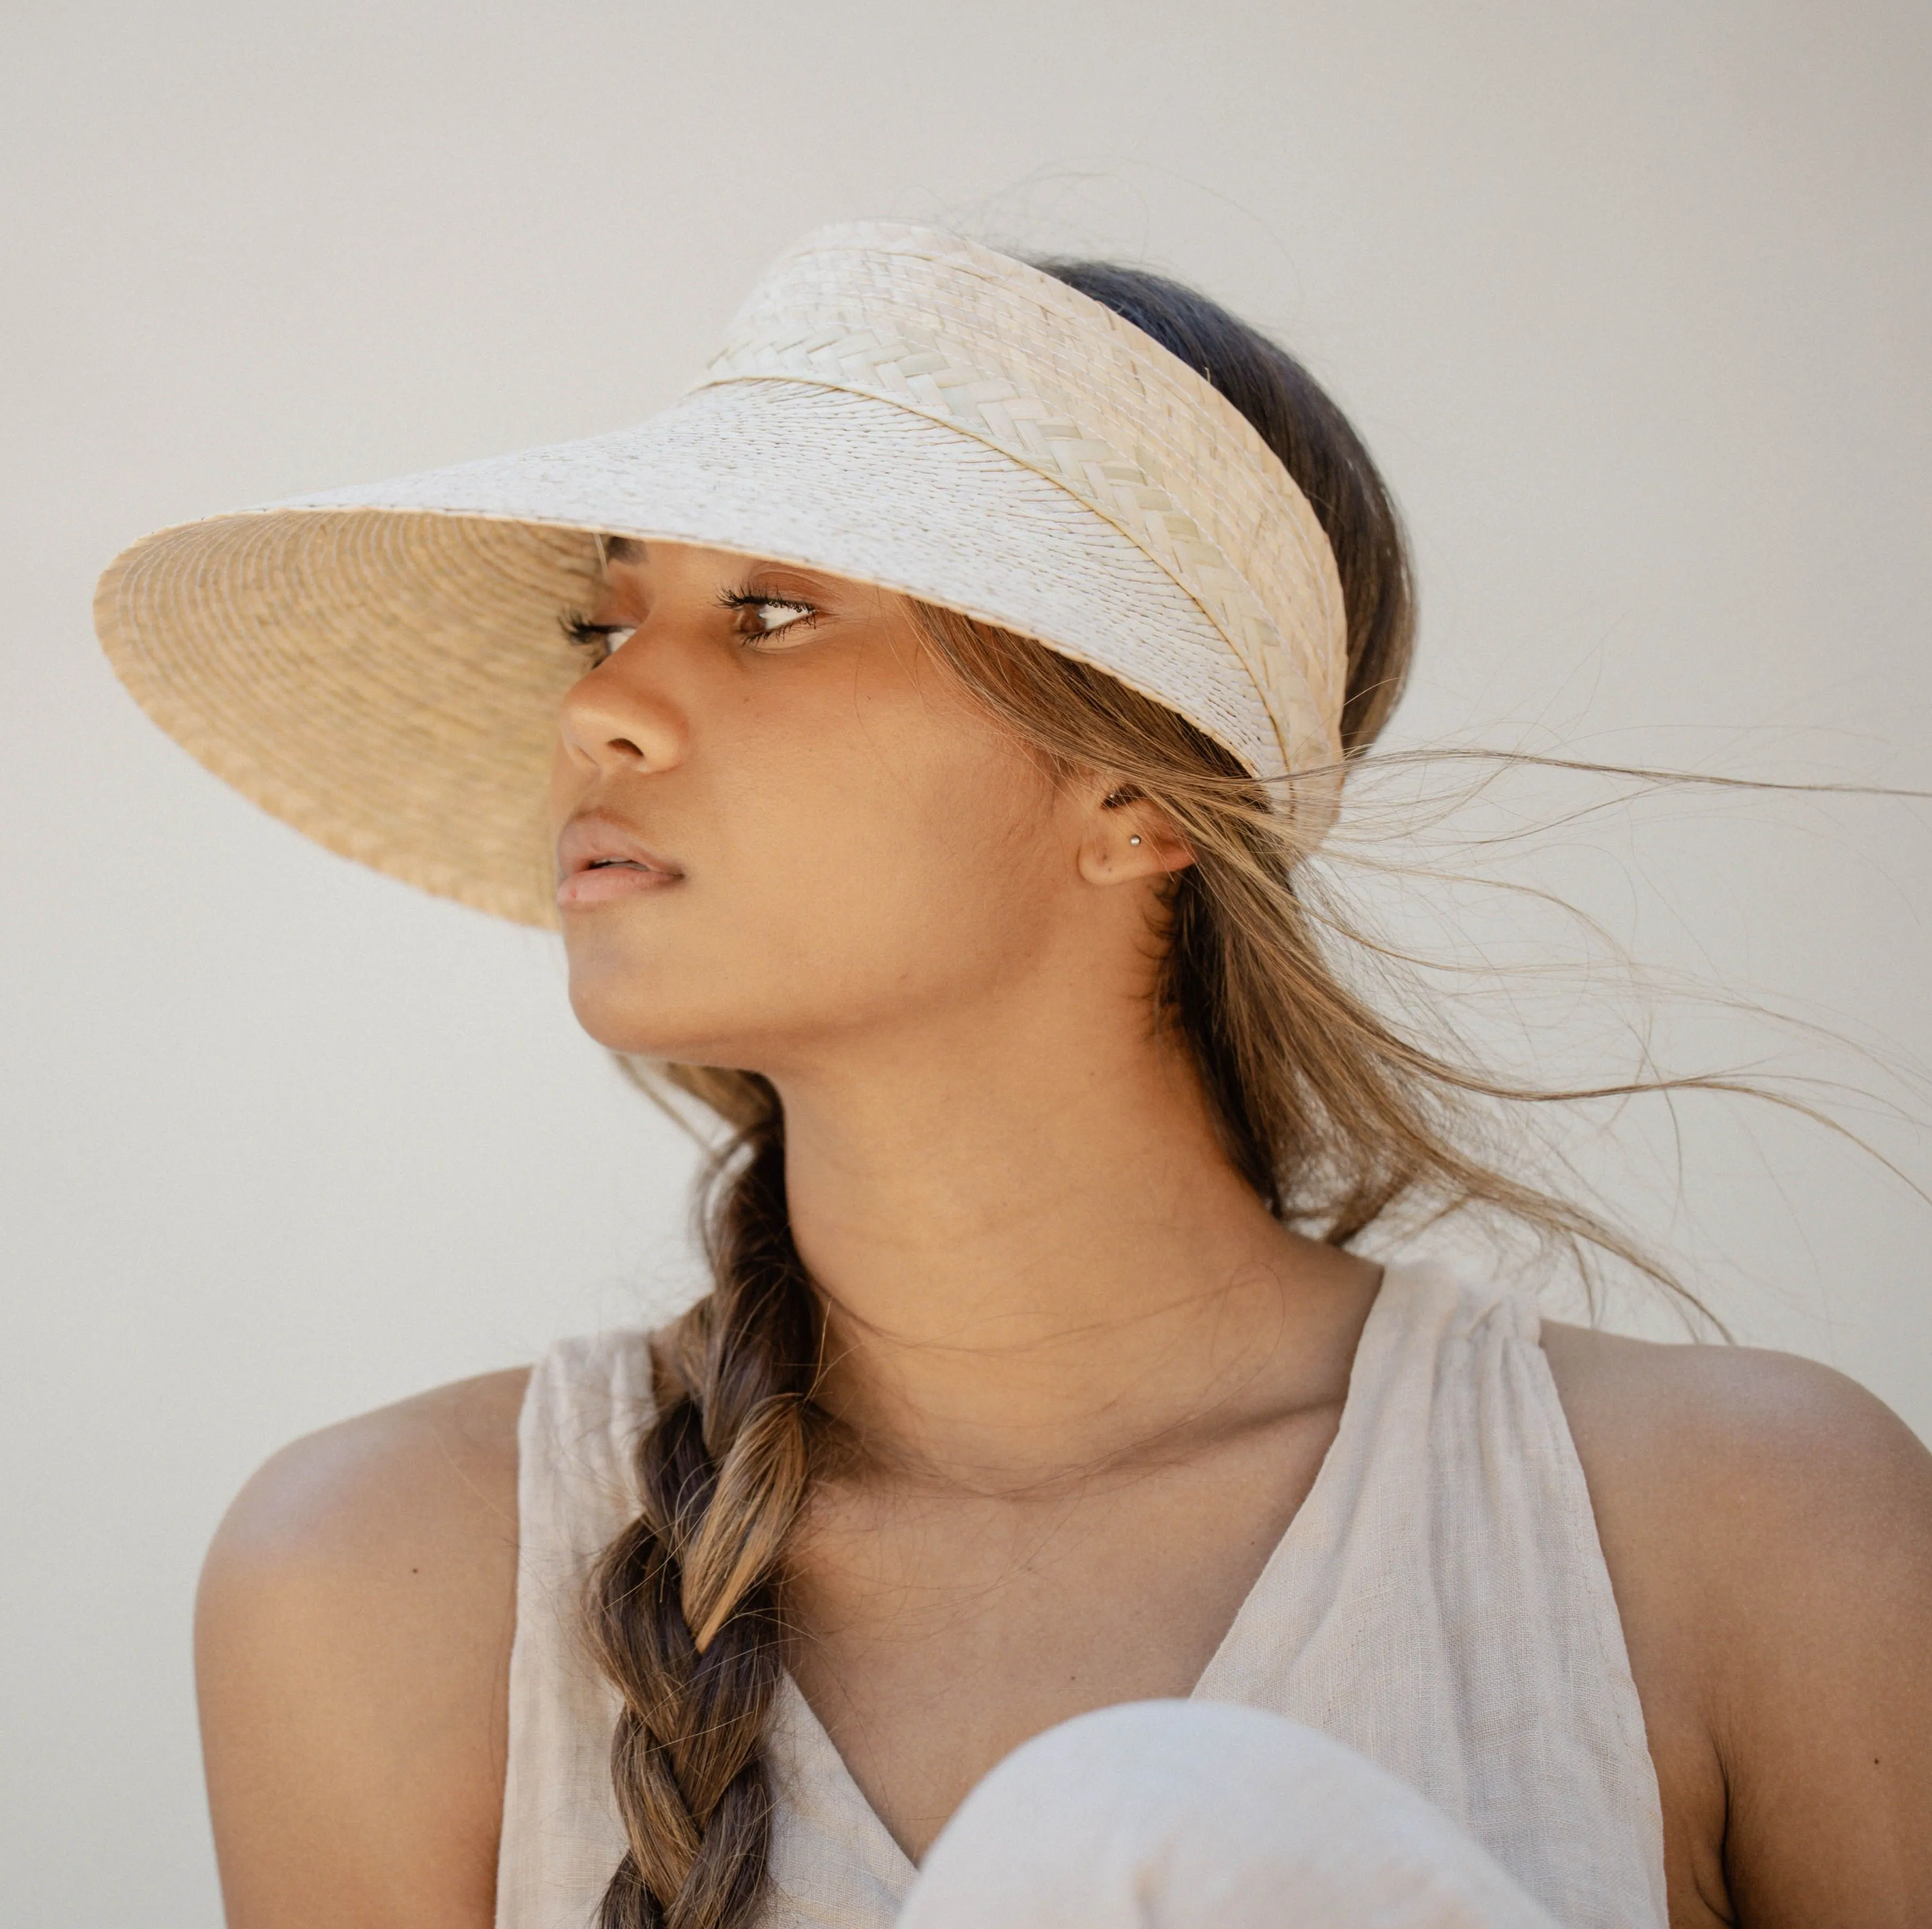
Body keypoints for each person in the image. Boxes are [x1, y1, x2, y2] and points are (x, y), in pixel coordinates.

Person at [95, 224, 1931, 1929]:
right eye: (606, 618)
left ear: (1134, 791)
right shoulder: (388, 1589)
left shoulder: (1739, 1537)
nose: (598, 706)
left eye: (773, 612)